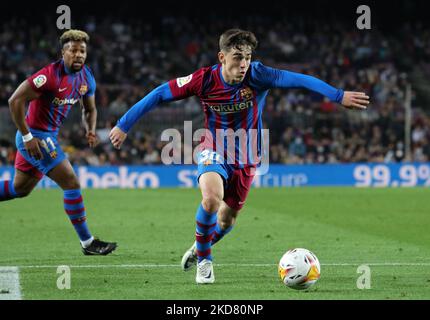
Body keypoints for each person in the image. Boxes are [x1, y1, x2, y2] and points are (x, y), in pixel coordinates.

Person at [109, 28, 369, 283]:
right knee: (211, 200)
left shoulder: (259, 74)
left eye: (247, 57)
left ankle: (200, 246)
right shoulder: (203, 79)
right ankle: (204, 262)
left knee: (227, 219)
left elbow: (299, 79)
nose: (243, 63)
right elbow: (160, 94)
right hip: (214, 148)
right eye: (237, 57)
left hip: (248, 154)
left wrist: (338, 95)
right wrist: (124, 124)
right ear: (222, 57)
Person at [1, 29, 117, 255]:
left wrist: (90, 129)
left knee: (19, 189)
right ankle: (88, 243)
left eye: (82, 51)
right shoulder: (48, 76)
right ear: (63, 53)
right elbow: (14, 100)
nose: (78, 55)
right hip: (35, 137)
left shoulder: (87, 77)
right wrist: (27, 137)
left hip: (47, 137)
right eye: (73, 51)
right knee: (71, 183)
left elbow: (90, 108)